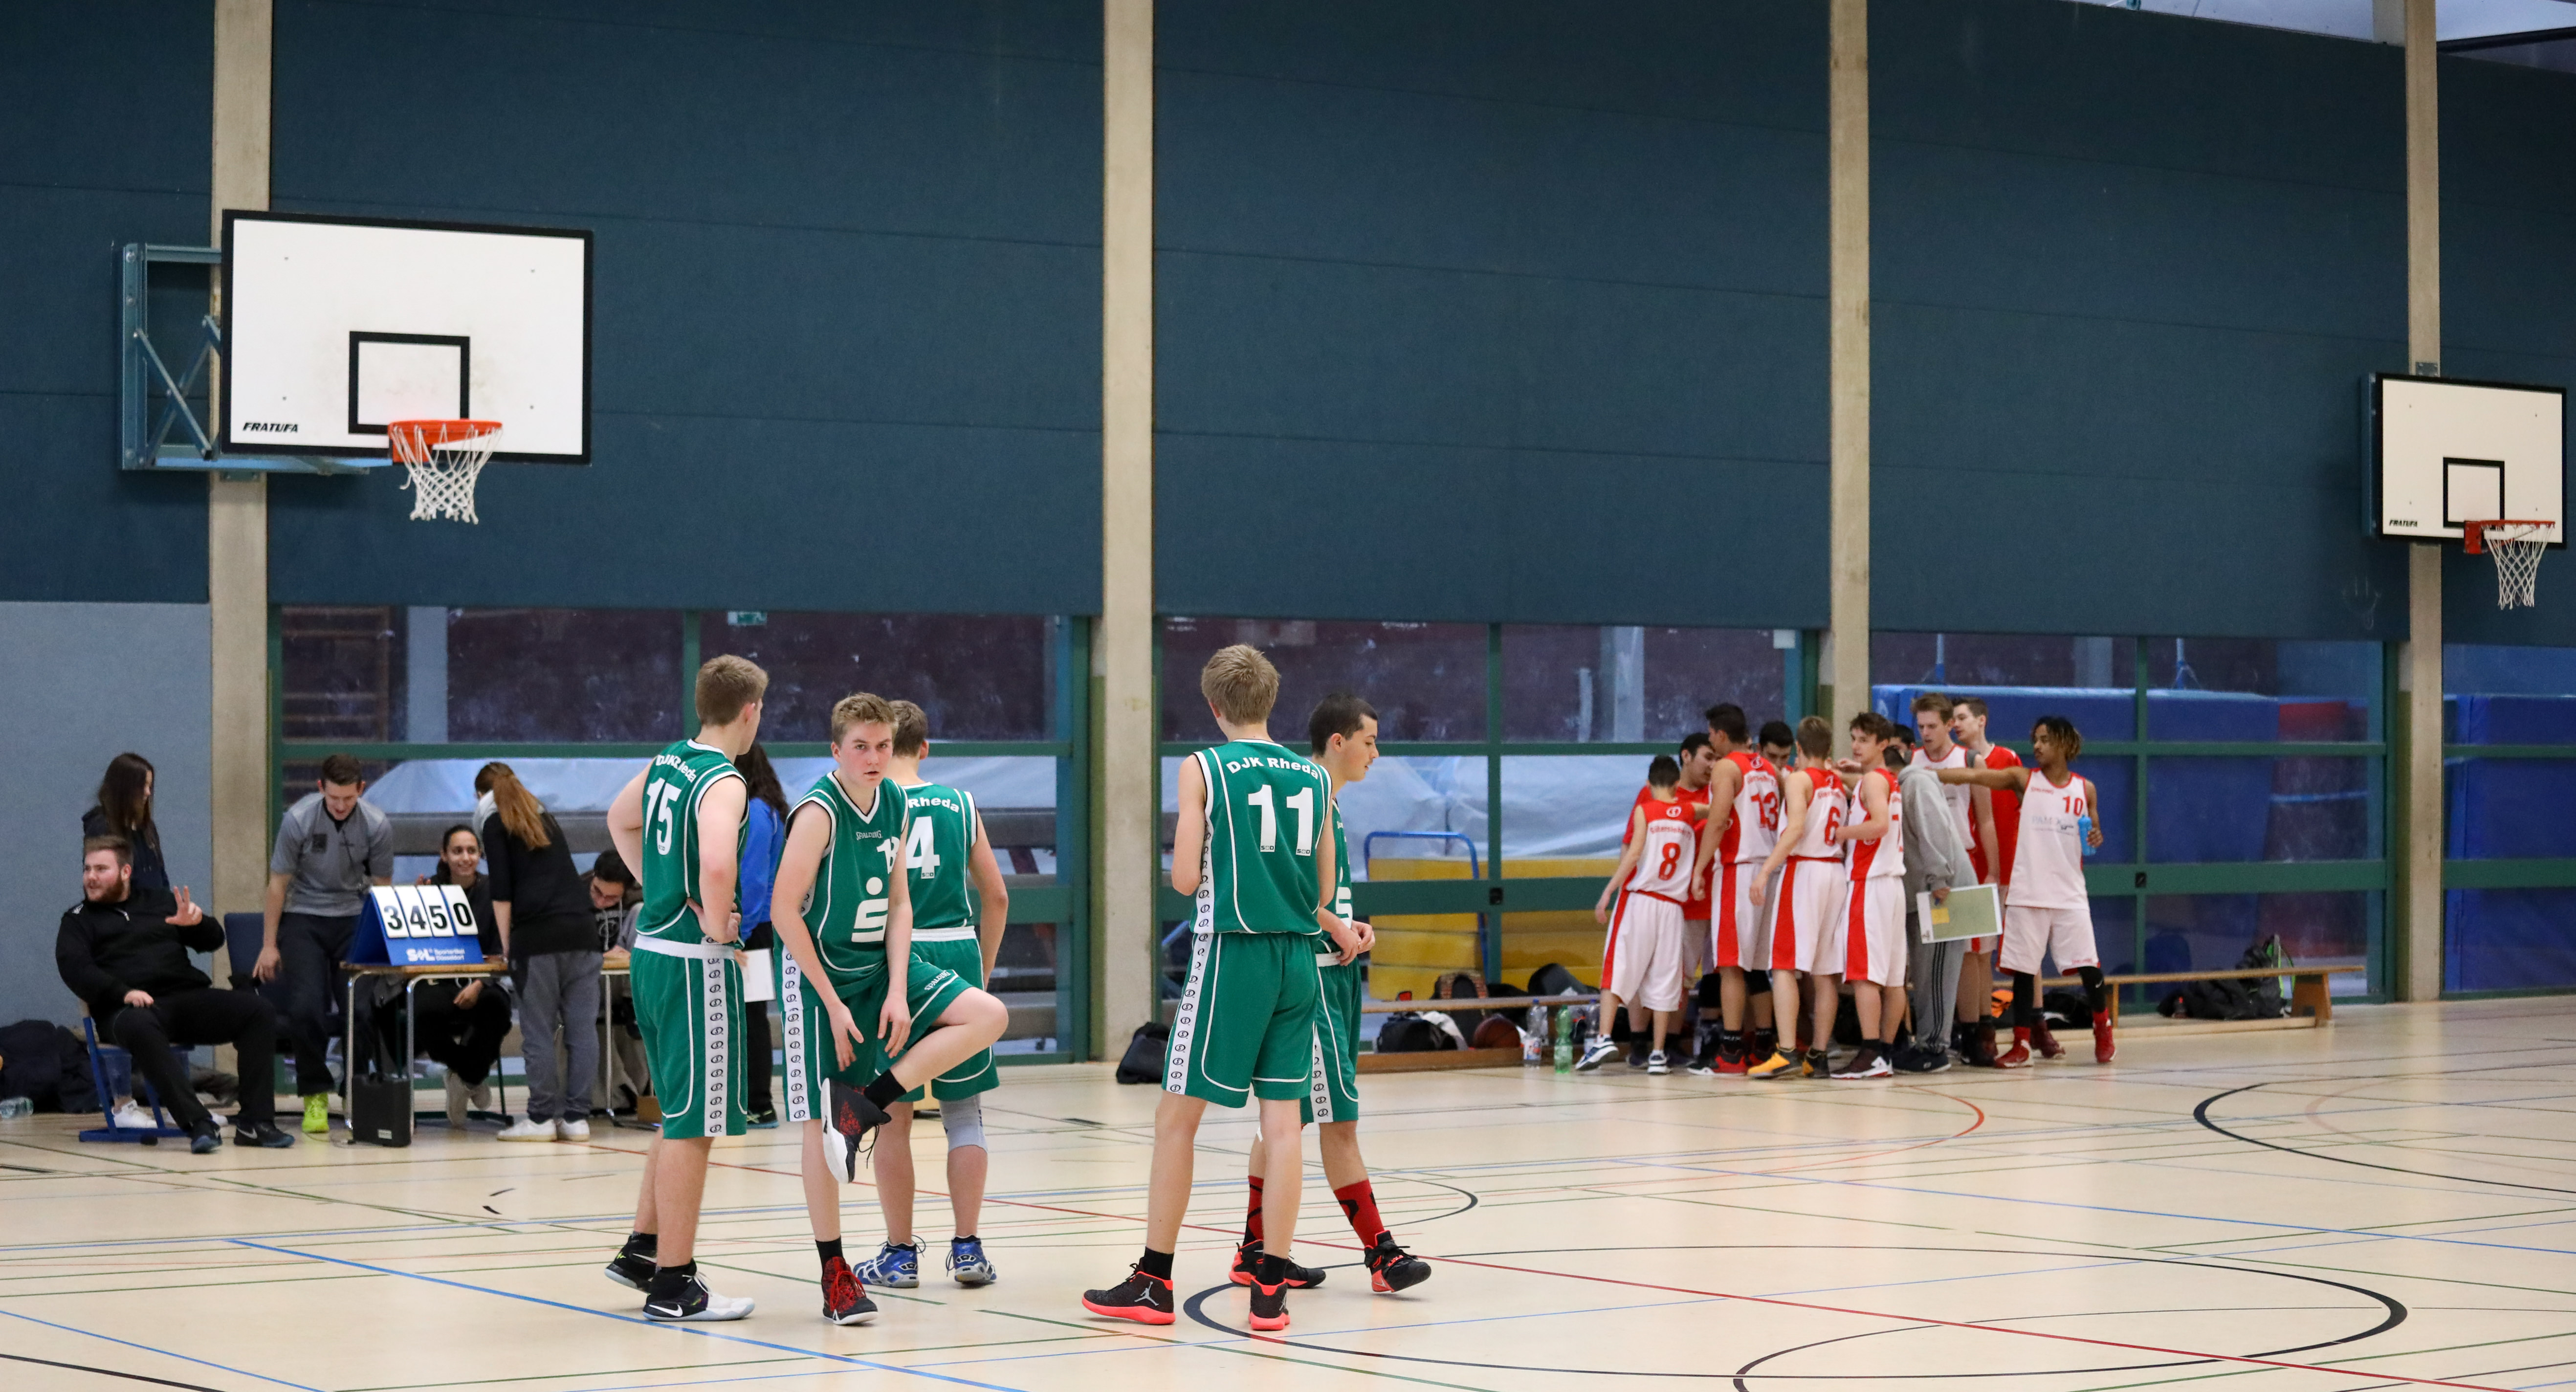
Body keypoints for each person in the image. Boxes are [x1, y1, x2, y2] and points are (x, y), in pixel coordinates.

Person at [1080, 645, 1365, 1333]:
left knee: (1176, 1120)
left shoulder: (1203, 766)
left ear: (1214, 706)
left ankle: (1153, 1279)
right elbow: (1326, 887)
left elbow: (1184, 878)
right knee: (1283, 1126)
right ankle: (1270, 1287)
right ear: (1271, 700)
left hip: (1232, 952)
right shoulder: (1312, 776)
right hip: (1299, 958)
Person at [768, 692, 1010, 1326]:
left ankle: (864, 1106)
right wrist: (830, 1002)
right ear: (836, 750)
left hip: (881, 967)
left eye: (881, 745)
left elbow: (900, 904)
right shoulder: (818, 812)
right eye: (860, 747)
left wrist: (900, 988)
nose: (873, 757)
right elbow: (783, 911)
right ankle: (835, 1274)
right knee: (816, 1125)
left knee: (987, 1015)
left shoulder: (896, 802)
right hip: (821, 978)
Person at [1236, 693, 1431, 1296]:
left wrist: (1348, 924)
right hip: (1313, 977)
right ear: (1338, 742)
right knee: (1338, 1122)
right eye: (1370, 741)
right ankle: (1381, 1254)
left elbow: (1317, 894)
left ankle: (1253, 1250)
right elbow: (1283, 887)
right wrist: (1332, 927)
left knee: (1285, 1119)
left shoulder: (1330, 802)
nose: (1377, 753)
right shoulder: (1304, 794)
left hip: (1334, 970)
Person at [600, 656, 767, 1322]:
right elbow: (719, 863)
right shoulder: (724, 780)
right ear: (750, 711)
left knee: (677, 1112)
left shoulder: (669, 758)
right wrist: (716, 920)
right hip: (694, 963)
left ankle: (644, 1248)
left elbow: (619, 819)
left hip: (651, 952)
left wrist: (661, 889)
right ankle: (675, 1282)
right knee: (695, 1124)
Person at [853, 700, 1015, 1289]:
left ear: (882, 745)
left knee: (891, 1116)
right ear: (924, 748)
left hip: (896, 964)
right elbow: (996, 896)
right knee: (964, 1113)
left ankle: (900, 1255)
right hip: (956, 954)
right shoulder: (960, 804)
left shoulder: (870, 805)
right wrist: (981, 974)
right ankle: (968, 1248)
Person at [57, 836, 294, 1151]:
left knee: (257, 1011)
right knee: (141, 1025)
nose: (91, 877)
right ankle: (197, 1123)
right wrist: (123, 992)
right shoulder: (77, 920)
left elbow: (213, 940)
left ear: (126, 872)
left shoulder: (160, 902)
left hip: (183, 998)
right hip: (124, 1010)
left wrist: (196, 924)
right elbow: (76, 969)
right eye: (87, 869)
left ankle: (256, 1123)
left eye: (101, 869)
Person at [1939, 715, 2112, 1068]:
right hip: (2027, 891)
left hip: (2068, 893)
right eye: (2035, 739)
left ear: (2064, 743)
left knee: (2088, 966)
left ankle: (2102, 1028)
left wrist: (2096, 836)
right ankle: (2020, 1044)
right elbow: (1976, 776)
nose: (2037, 746)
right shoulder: (2024, 779)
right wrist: (1932, 775)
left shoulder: (2086, 789)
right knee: (2022, 970)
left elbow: (2093, 832)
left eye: (2045, 739)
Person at [254, 752, 393, 1135]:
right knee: (305, 1008)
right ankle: (314, 1092)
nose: (341, 806)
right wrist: (269, 944)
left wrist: (383, 943)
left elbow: (383, 889)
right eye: (334, 798)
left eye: (348, 798)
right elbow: (277, 885)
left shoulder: (377, 824)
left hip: (354, 917)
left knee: (360, 1010)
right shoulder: (298, 820)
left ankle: (356, 1092)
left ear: (361, 789)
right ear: (320, 788)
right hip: (304, 918)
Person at [479, 764, 602, 1144]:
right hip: (584, 933)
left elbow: (501, 891)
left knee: (538, 1031)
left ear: (481, 796)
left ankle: (541, 1118)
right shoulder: (543, 816)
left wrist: (506, 946)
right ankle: (577, 1118)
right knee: (582, 1030)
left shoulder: (493, 821)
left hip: (538, 938)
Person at [1748, 717, 1846, 1080]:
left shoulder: (1799, 779)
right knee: (1824, 972)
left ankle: (1786, 1051)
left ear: (1799, 749)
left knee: (1784, 965)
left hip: (1805, 871)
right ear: (1829, 749)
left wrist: (1764, 871)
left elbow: (1795, 829)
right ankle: (1818, 1055)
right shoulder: (1838, 783)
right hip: (1835, 872)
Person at [1585, 755, 1697, 1074]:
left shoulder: (1645, 810)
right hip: (1672, 907)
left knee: (1618, 968)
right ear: (1677, 784)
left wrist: (1608, 891)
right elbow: (1711, 811)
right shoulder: (1689, 812)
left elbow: (1633, 853)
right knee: (1665, 979)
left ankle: (1604, 1038)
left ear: (1648, 784)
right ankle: (1658, 1054)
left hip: (1642, 900)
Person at [1687, 703, 1780, 1076]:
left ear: (1721, 734)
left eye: (1711, 735)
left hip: (1740, 869)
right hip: (1769, 871)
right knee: (1757, 968)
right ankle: (1763, 1044)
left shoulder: (1728, 767)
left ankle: (1730, 1049)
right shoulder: (1769, 768)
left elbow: (1718, 820)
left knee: (1729, 965)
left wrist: (1699, 868)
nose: (1711, 742)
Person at [397, 824, 510, 1127]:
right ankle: (471, 1075)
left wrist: (479, 984)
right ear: (444, 855)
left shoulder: (495, 891)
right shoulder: (428, 889)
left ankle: (464, 1080)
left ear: (480, 855)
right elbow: (413, 946)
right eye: (457, 851)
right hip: (436, 982)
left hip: (481, 980)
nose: (465, 857)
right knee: (423, 1011)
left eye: (471, 851)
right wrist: (415, 906)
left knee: (498, 1007)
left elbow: (500, 949)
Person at [1826, 712, 1907, 1080]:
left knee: (1864, 977)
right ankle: (1884, 1054)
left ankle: (1870, 1052)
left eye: (1864, 740)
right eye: (1854, 738)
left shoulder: (1873, 781)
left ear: (1882, 744)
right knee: (1893, 979)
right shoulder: (1886, 779)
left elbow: (1879, 824)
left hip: (1870, 883)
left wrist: (1842, 832)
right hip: (1892, 886)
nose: (1856, 746)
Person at [1893, 747, 1974, 1073]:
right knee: (1925, 972)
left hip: (1943, 890)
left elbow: (1935, 828)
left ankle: (1934, 1049)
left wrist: (1940, 876)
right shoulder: (1900, 786)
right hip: (1923, 890)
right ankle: (1925, 1042)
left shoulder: (1916, 782)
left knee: (1939, 970)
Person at [1950, 696, 2019, 1065]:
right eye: (1953, 719)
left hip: (2004, 868)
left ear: (1981, 720)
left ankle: (2030, 1027)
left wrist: (2004, 867)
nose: (1956, 724)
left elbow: (2017, 813)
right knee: (1974, 951)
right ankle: (1979, 1030)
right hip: (1972, 867)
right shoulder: (1956, 761)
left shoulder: (2007, 760)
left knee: (2003, 953)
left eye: (1962, 717)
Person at [734, 744, 790, 1129]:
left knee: (750, 1015)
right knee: (747, 1013)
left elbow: (752, 881)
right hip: (756, 926)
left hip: (753, 928)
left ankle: (758, 1103)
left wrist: (739, 933)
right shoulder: (766, 807)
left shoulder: (755, 812)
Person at [85, 753, 169, 894]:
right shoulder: (101, 830)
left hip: (155, 906)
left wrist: (169, 903)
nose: (148, 793)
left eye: (150, 786)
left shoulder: (148, 827)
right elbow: (105, 887)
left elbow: (161, 875)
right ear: (125, 789)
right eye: (143, 786)